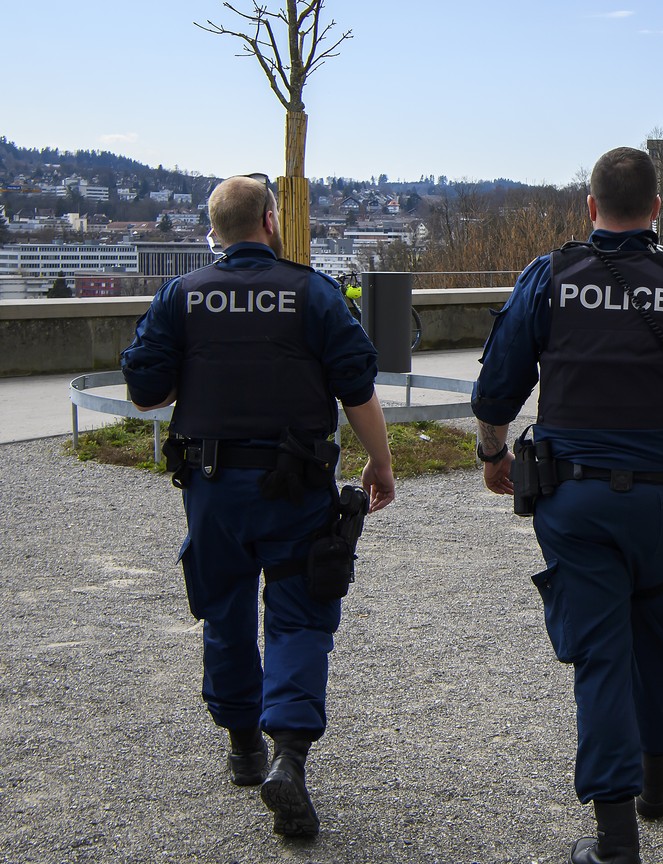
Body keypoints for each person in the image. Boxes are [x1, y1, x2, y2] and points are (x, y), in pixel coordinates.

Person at [472, 147, 663, 864]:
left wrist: (493, 453)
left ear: (590, 208)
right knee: (658, 640)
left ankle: (615, 837)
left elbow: (497, 385)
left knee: (601, 656)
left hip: (577, 499)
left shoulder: (550, 276)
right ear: (657, 210)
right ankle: (660, 779)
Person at [120, 174, 396, 838]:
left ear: (214, 231)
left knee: (226, 609)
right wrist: (381, 463)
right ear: (271, 221)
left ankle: (243, 745)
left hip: (213, 488)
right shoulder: (313, 293)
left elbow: (145, 394)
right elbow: (356, 386)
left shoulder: (181, 296)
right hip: (296, 486)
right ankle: (289, 758)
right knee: (300, 617)